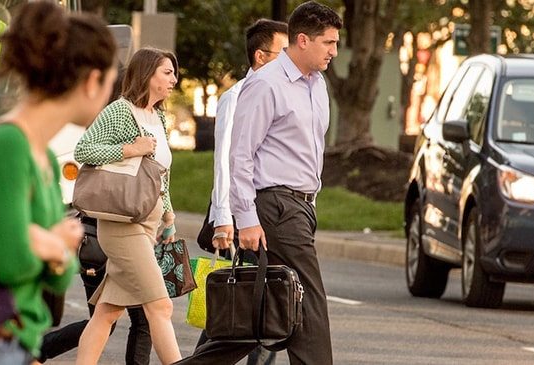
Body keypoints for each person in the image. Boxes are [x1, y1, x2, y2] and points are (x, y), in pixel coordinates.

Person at [0, 2, 115, 363]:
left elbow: (56, 282)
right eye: (110, 80)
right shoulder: (8, 145)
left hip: (15, 339)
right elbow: (10, 262)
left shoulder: (38, 153)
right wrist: (57, 245)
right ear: (91, 81)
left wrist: (49, 247)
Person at [180, 2, 340, 364]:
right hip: (276, 206)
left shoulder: (318, 86)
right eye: (328, 42)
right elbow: (240, 155)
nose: (333, 51)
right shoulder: (266, 85)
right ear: (303, 40)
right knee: (309, 302)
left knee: (263, 310)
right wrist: (245, 218)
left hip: (301, 206)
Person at [71, 47, 183, 365]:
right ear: (147, 75)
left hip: (147, 224)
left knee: (108, 312)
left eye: (174, 72)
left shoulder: (158, 116)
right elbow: (84, 149)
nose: (174, 79)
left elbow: (161, 174)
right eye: (167, 72)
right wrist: (129, 149)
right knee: (160, 307)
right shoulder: (120, 112)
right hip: (122, 227)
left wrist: (169, 215)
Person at [201, 18, 288, 365]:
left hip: (271, 214)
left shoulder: (282, 93)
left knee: (262, 305)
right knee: (240, 307)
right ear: (261, 57)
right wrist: (223, 220)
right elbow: (225, 160)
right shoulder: (235, 97)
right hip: (242, 218)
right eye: (283, 53)